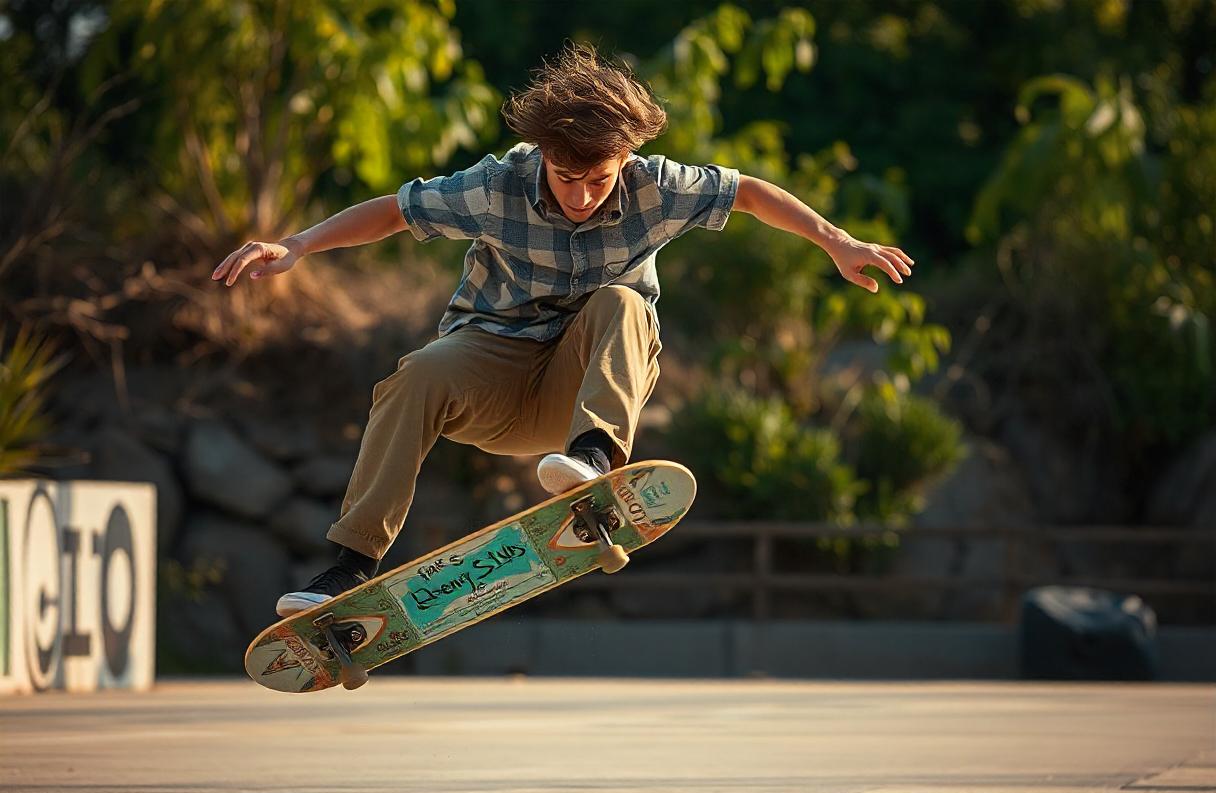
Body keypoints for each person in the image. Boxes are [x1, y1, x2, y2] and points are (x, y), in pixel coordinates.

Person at [210, 43, 913, 617]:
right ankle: (350, 567)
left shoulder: (660, 186)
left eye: (598, 180)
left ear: (627, 159)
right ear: (541, 153)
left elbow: (751, 193)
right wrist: (298, 245)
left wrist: (837, 241)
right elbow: (396, 210)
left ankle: (595, 467)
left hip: (581, 392)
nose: (579, 196)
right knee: (415, 374)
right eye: (564, 176)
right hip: (491, 374)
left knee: (625, 305)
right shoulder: (495, 186)